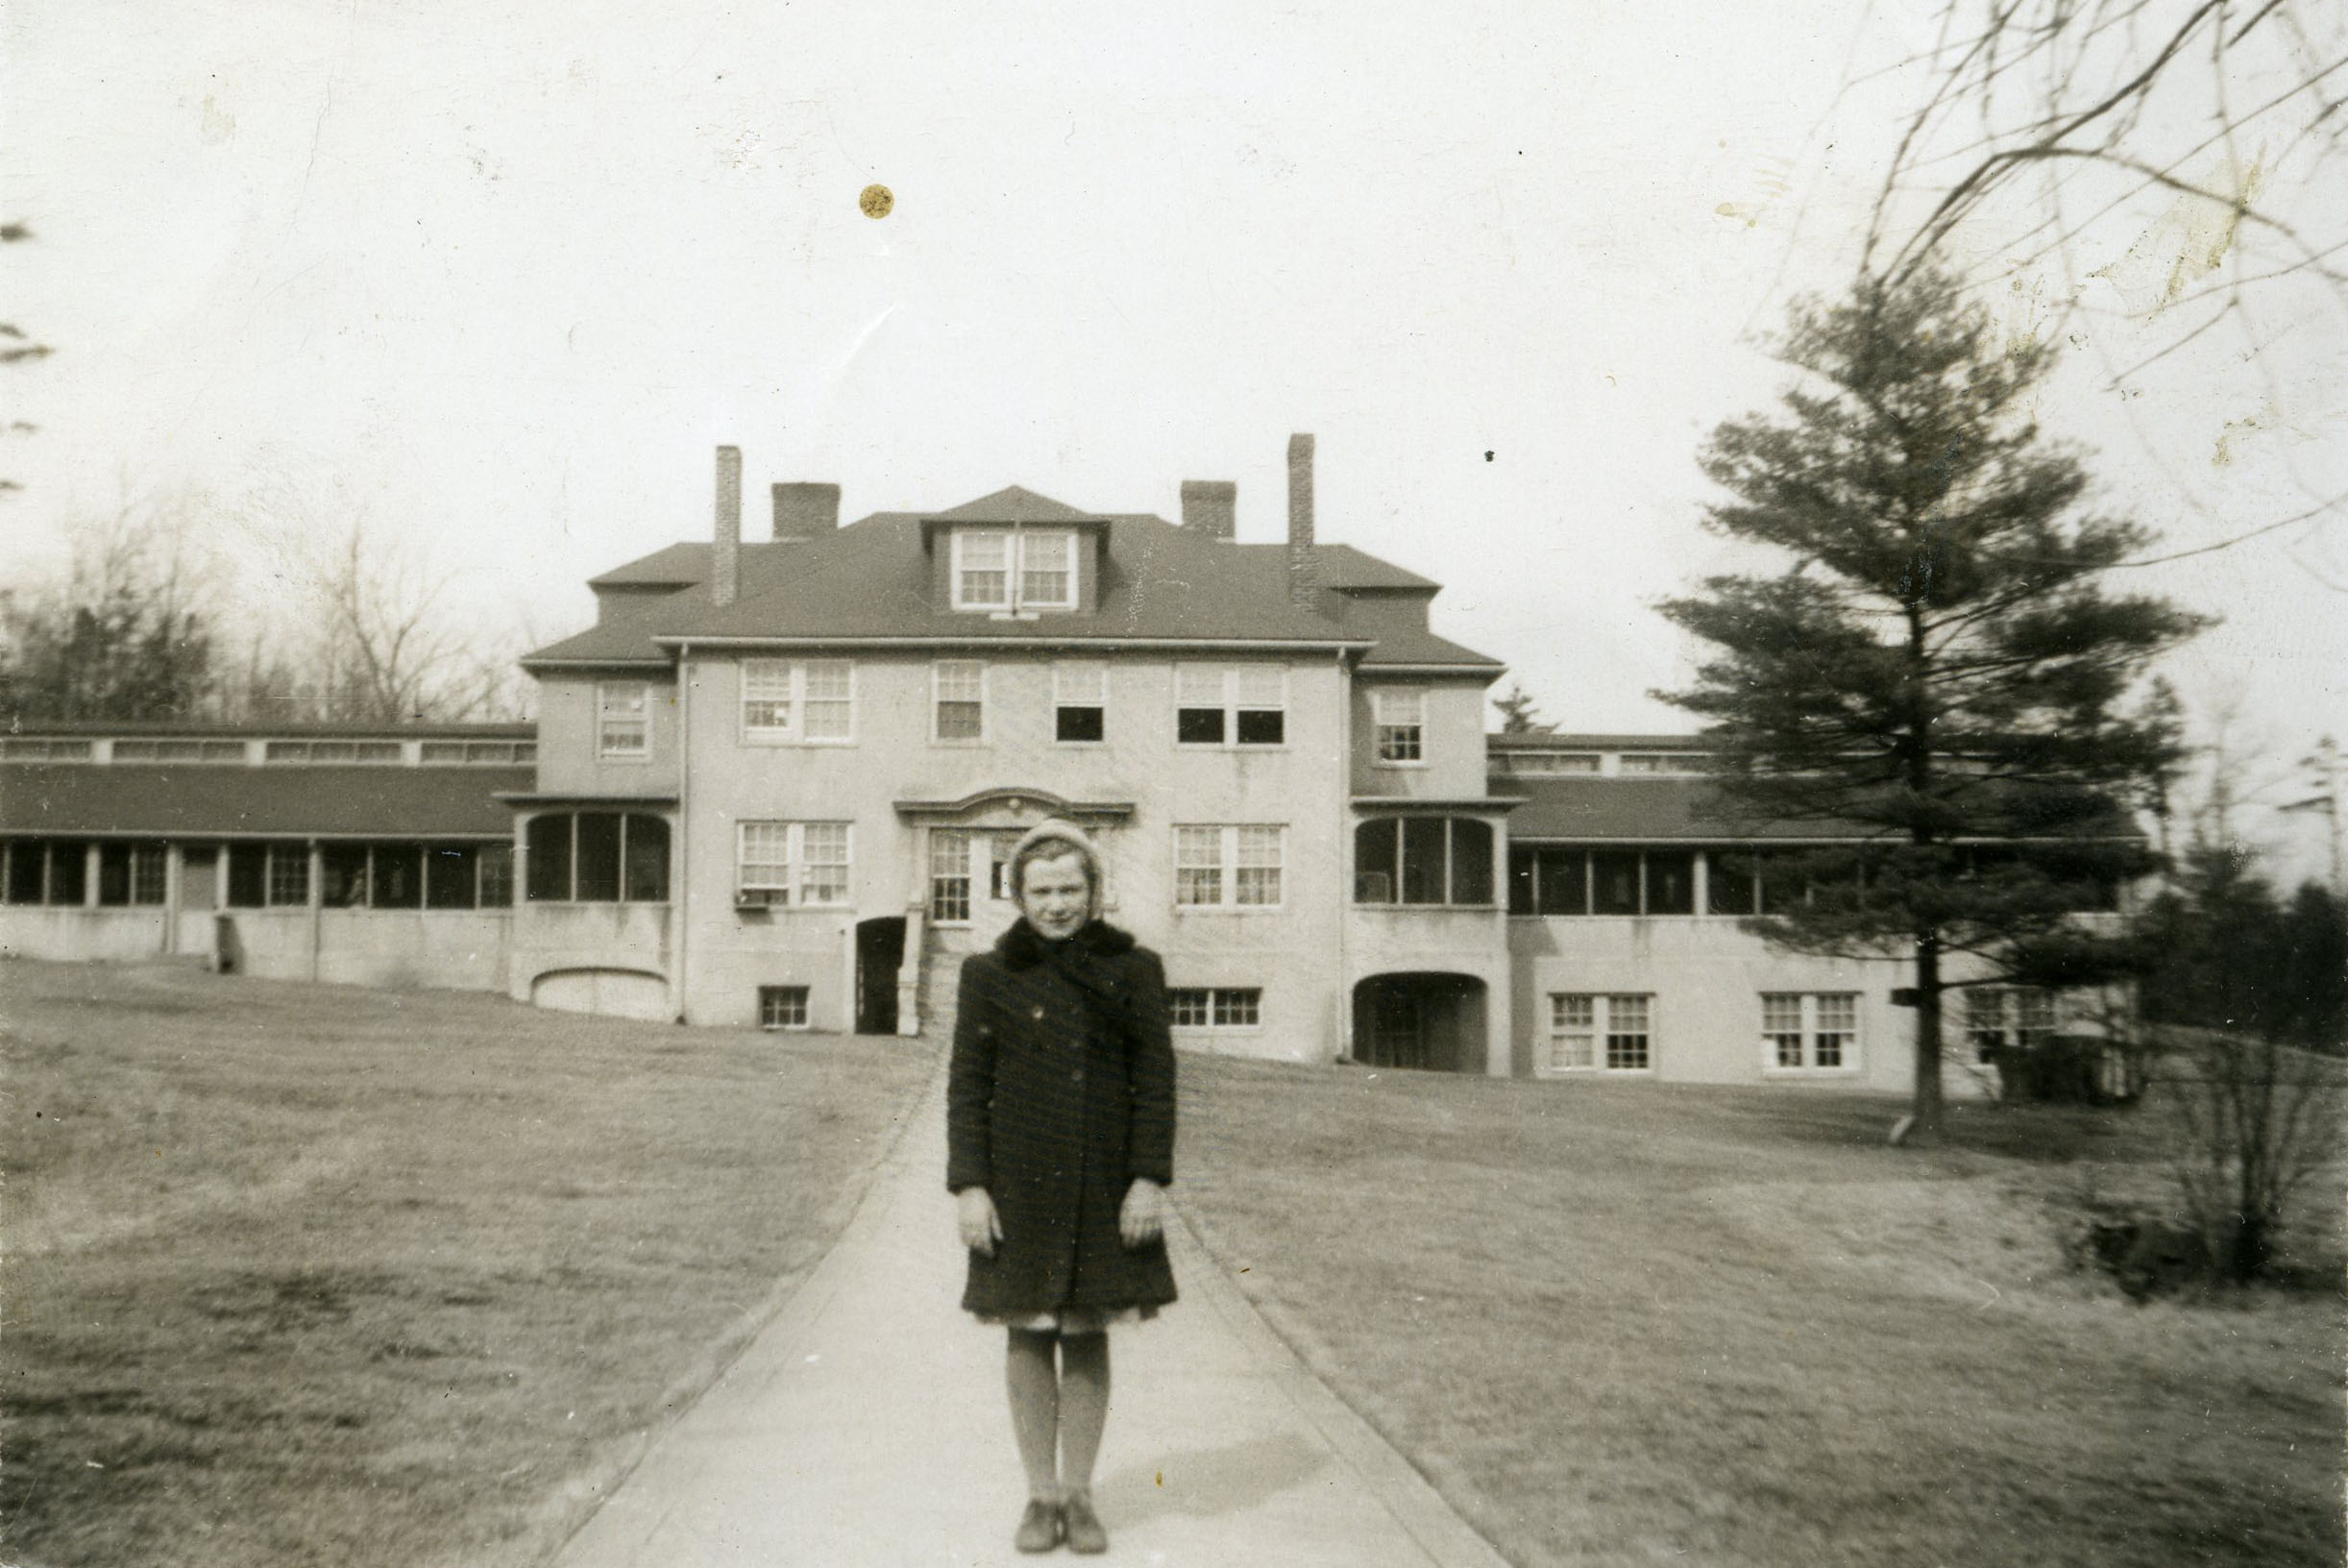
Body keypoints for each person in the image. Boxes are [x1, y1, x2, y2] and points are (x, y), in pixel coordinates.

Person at [946, 820, 1177, 1555]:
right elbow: (966, 1088)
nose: (1056, 905)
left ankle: (1079, 1496)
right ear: (1017, 895)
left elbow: (1156, 1082)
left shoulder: (1134, 968)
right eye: (1041, 891)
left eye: (1070, 889)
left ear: (1095, 892)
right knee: (1027, 1328)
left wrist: (1146, 1178)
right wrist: (971, 1187)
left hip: (1103, 1180)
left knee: (1084, 1332)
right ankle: (1038, 1497)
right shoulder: (989, 974)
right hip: (1019, 1184)